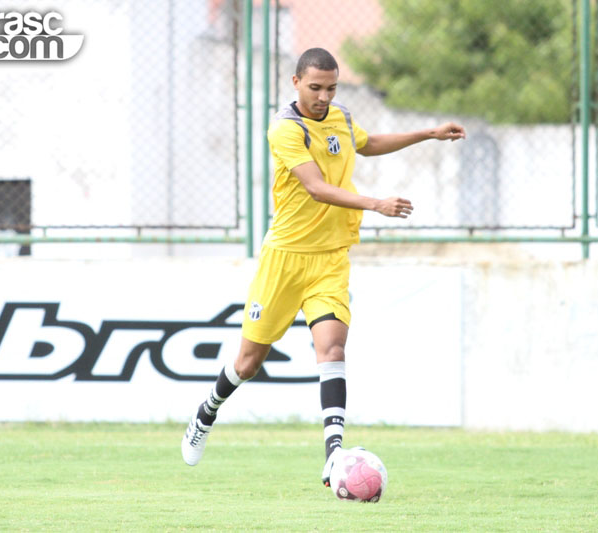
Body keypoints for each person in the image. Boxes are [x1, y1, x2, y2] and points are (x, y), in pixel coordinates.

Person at [182, 47, 466, 487]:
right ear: (295, 82)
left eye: (331, 88)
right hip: (284, 260)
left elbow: (369, 145)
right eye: (315, 87)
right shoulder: (284, 129)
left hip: (331, 258)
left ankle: (334, 454)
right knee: (247, 363)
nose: (323, 96)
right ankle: (206, 413)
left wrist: (430, 133)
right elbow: (315, 188)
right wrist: (375, 203)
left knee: (332, 347)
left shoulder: (342, 117)